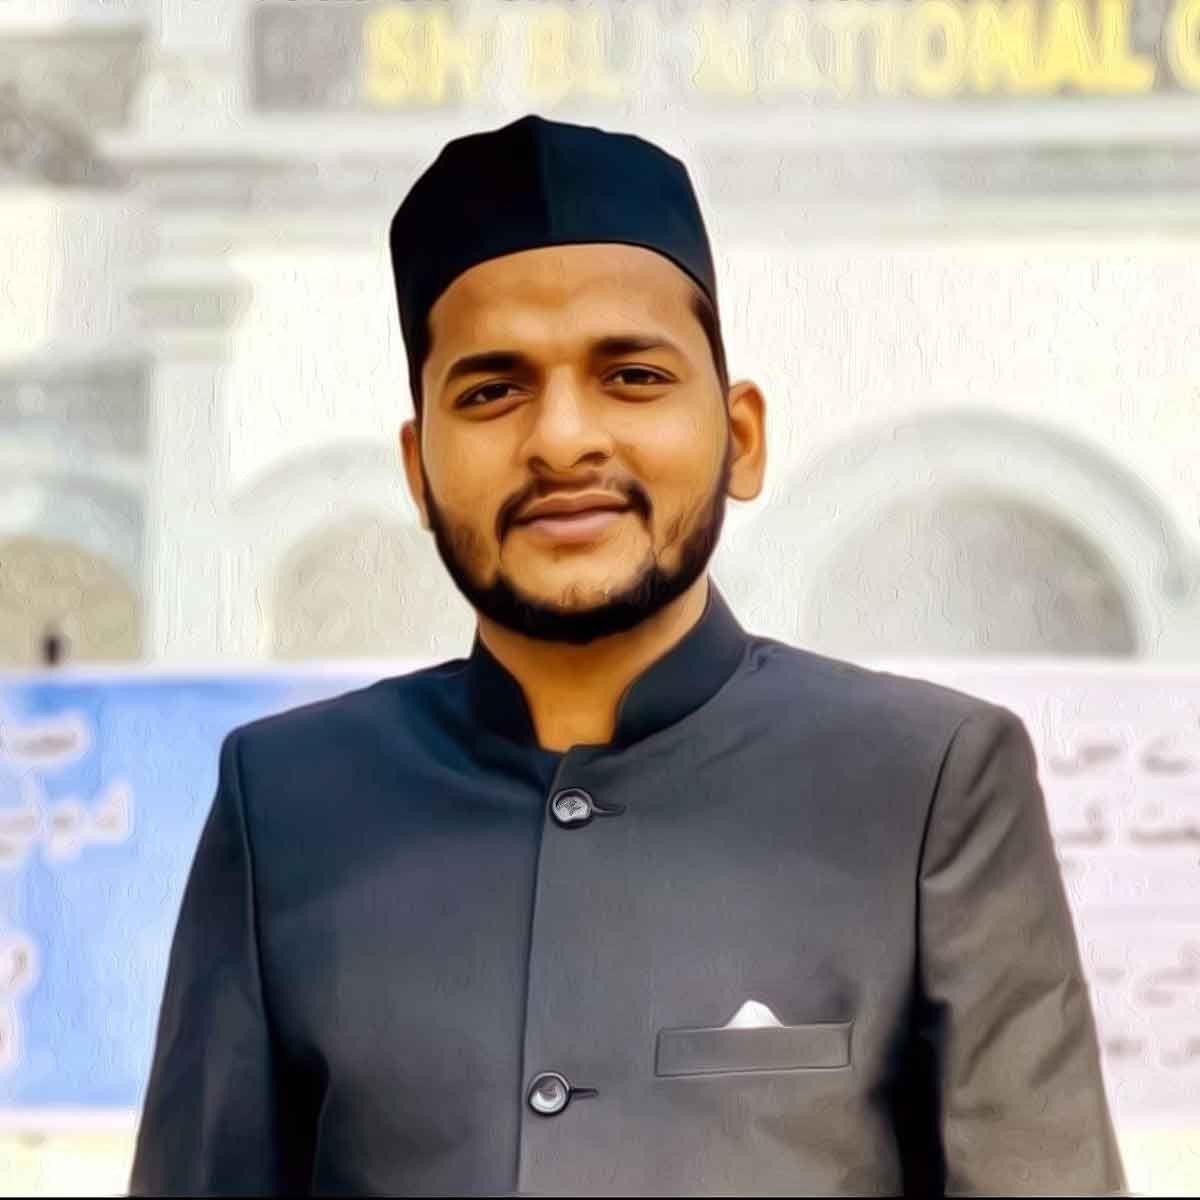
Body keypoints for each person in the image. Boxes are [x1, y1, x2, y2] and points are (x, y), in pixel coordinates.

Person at [129, 113, 1127, 1197]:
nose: (562, 439)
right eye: (492, 391)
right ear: (418, 470)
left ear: (741, 437)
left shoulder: (925, 783)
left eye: (633, 376)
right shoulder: (287, 804)